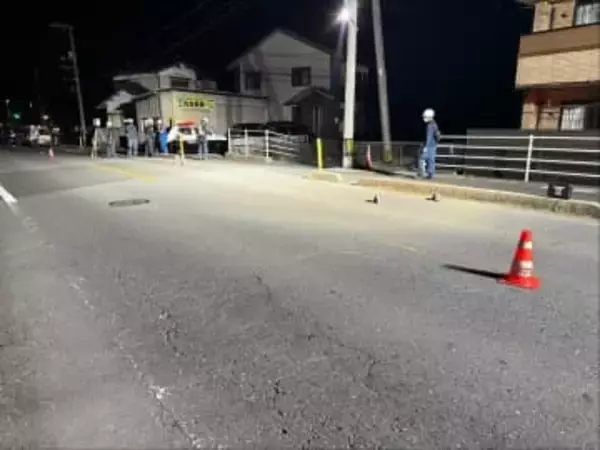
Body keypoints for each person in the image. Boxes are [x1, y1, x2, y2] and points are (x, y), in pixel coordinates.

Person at [420, 108, 441, 179]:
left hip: (429, 145)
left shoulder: (430, 125)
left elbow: (428, 137)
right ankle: (430, 174)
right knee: (431, 160)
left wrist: (425, 146)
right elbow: (436, 135)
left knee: (422, 158)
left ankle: (421, 174)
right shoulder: (434, 124)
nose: (424, 118)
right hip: (433, 145)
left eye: (425, 116)